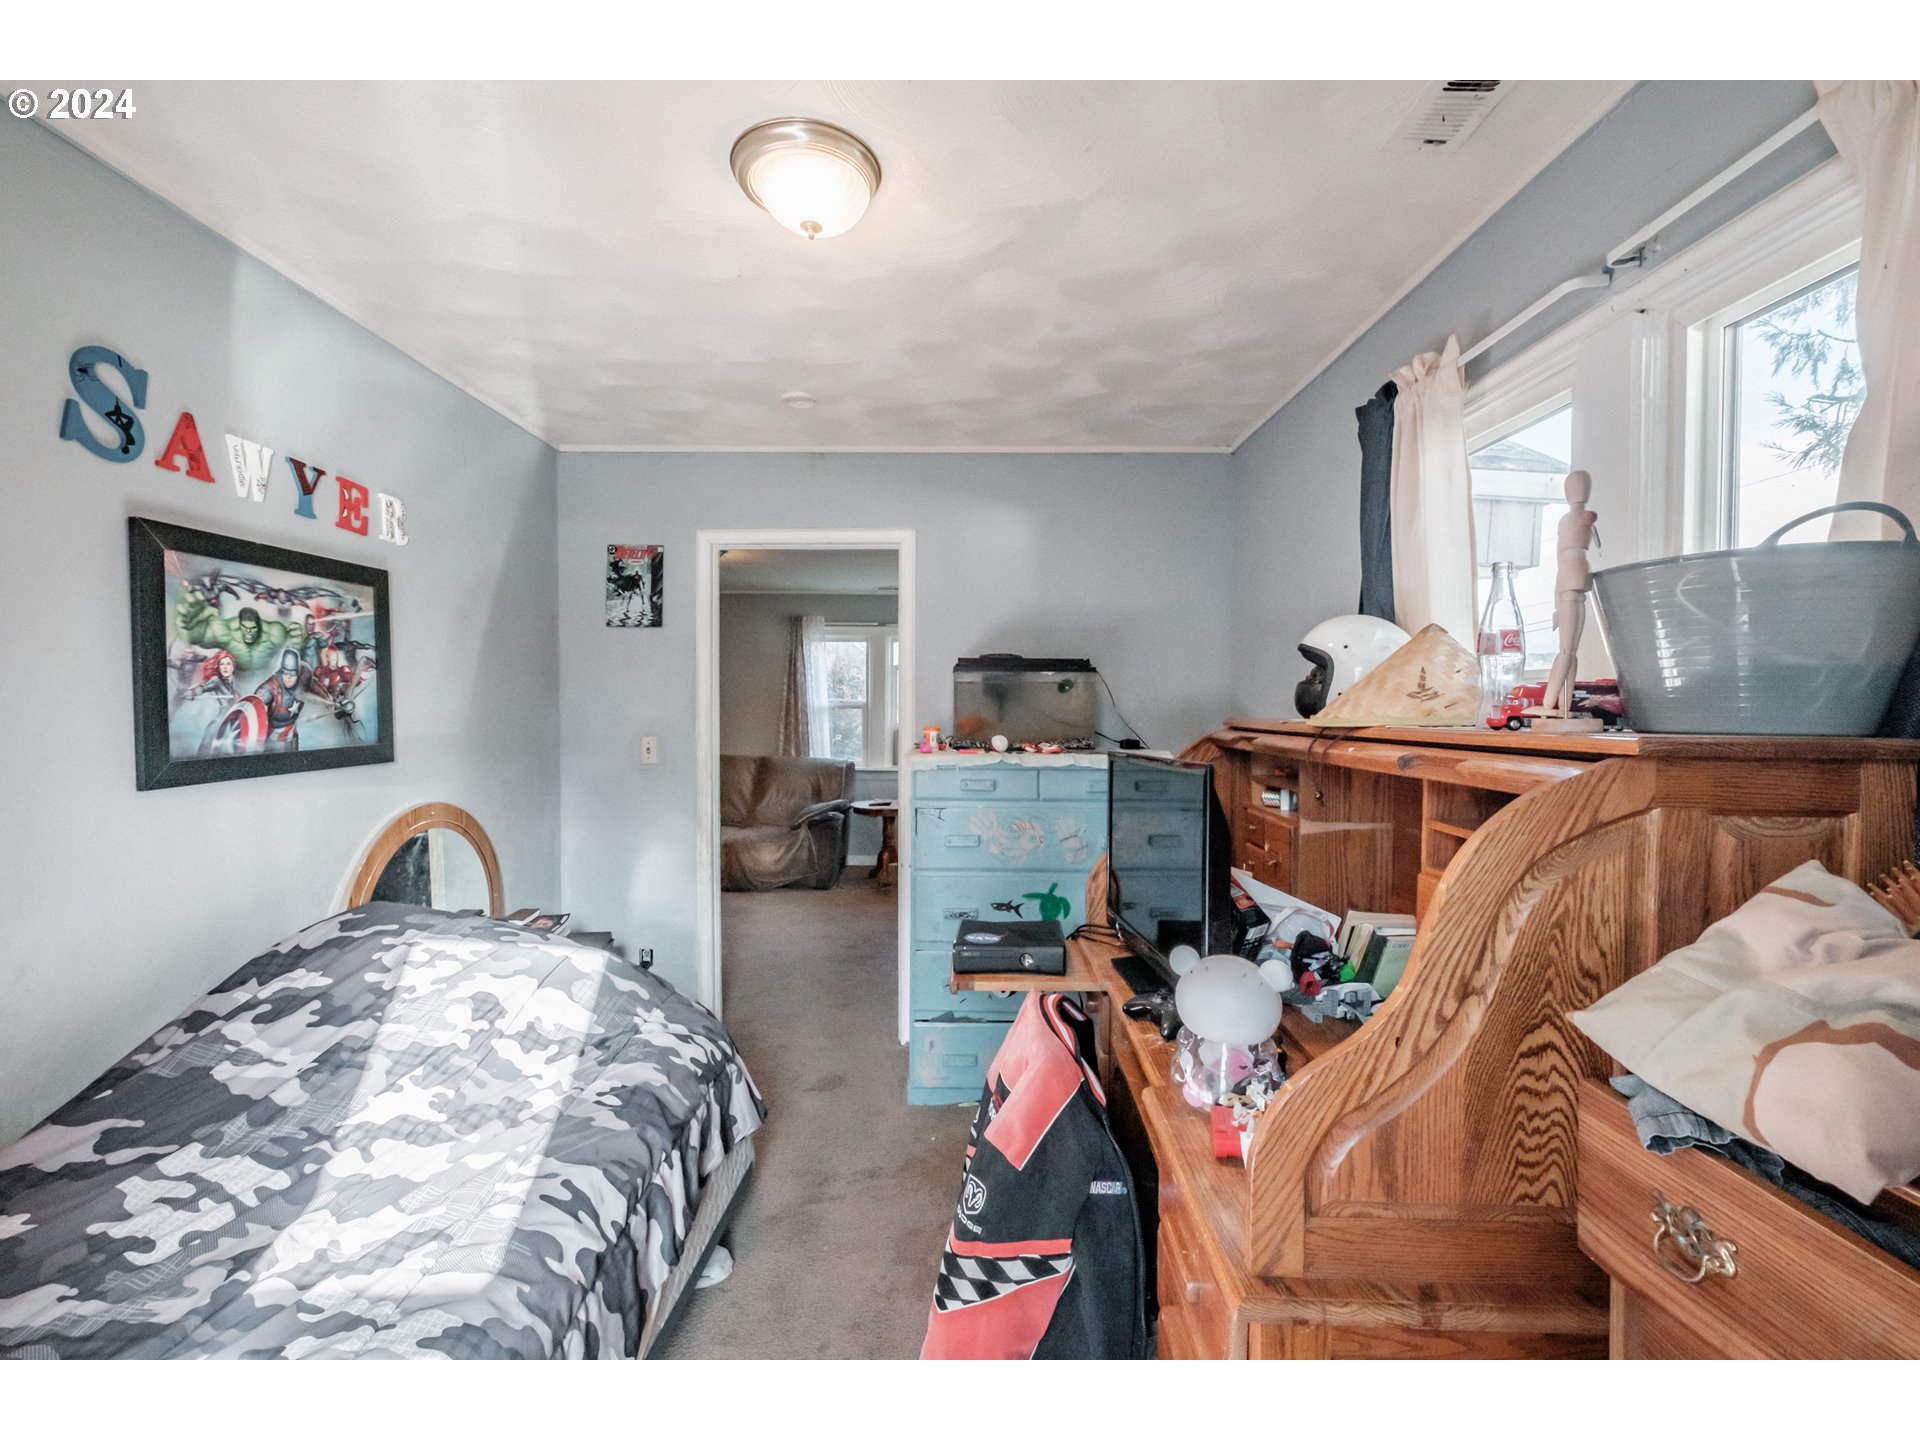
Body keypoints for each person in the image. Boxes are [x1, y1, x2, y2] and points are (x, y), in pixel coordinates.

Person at [253, 648, 308, 750]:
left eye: (292, 674)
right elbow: (255, 706)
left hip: (291, 735)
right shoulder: (270, 687)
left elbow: (317, 687)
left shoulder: (303, 680)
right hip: (271, 738)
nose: (289, 677)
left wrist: (330, 700)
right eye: (286, 673)